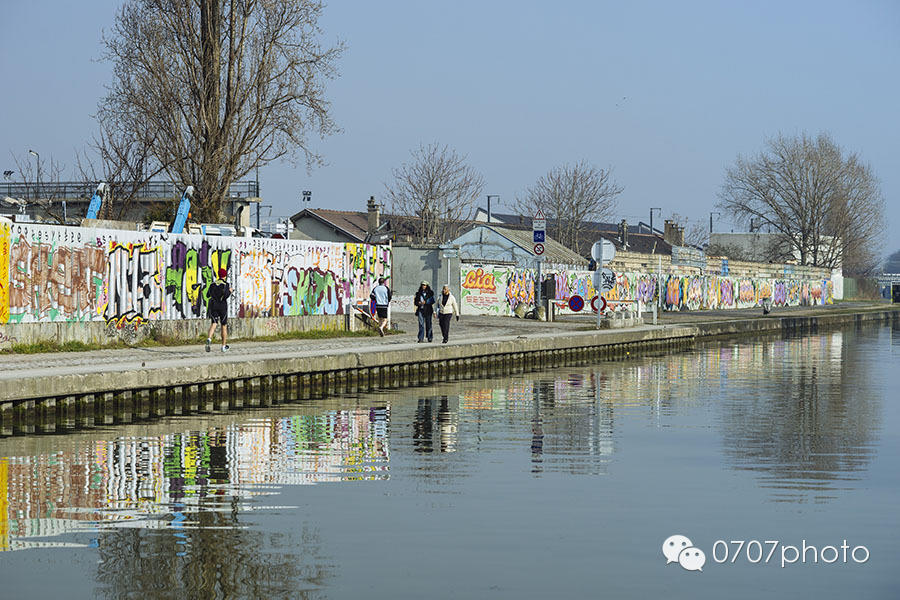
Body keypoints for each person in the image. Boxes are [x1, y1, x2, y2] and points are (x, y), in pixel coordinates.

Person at [206, 268, 231, 352]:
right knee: (224, 326)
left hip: (213, 305)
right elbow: (226, 295)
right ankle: (223, 346)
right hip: (222, 306)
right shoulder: (226, 284)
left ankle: (209, 338)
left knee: (214, 323)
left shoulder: (212, 284)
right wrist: (230, 291)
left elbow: (207, 295)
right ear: (225, 275)